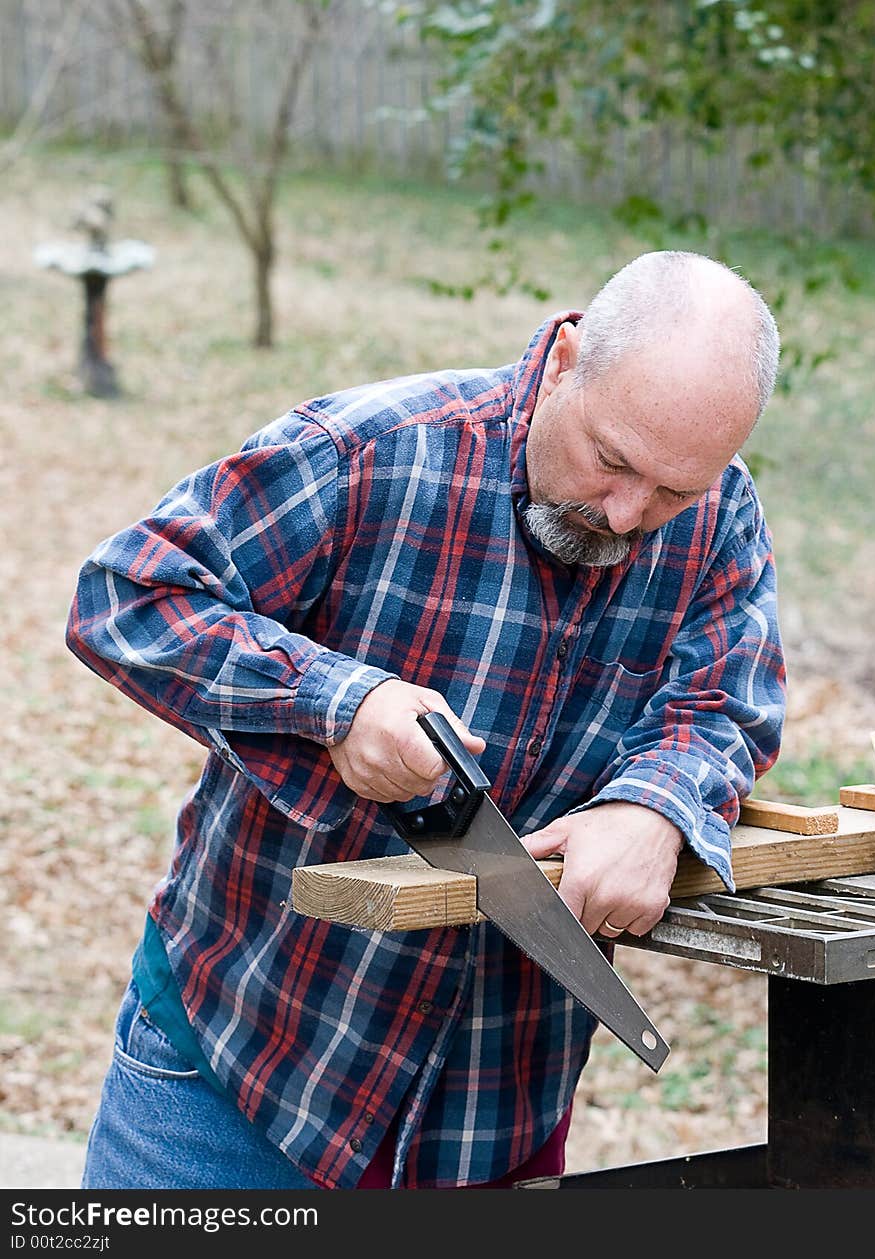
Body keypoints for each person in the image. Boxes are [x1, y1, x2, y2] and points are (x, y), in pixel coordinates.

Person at [66, 250, 786, 1190]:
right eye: (611, 461)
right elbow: (127, 596)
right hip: (245, 1073)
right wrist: (335, 700)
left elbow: (729, 700)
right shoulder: (368, 450)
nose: (625, 512)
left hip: (493, 1113)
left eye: (671, 492)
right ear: (566, 360)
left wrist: (656, 803)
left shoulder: (719, 515)